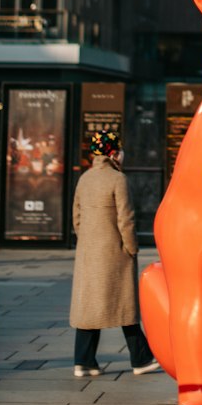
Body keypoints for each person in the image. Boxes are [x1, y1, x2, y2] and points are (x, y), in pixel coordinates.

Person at [69, 129, 160, 377]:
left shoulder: (84, 179)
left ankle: (83, 360)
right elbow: (126, 220)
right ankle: (141, 359)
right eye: (119, 150)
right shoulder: (118, 180)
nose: (122, 154)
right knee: (125, 306)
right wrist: (131, 248)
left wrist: (87, 239)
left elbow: (76, 217)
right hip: (114, 252)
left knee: (89, 308)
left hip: (89, 252)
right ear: (112, 153)